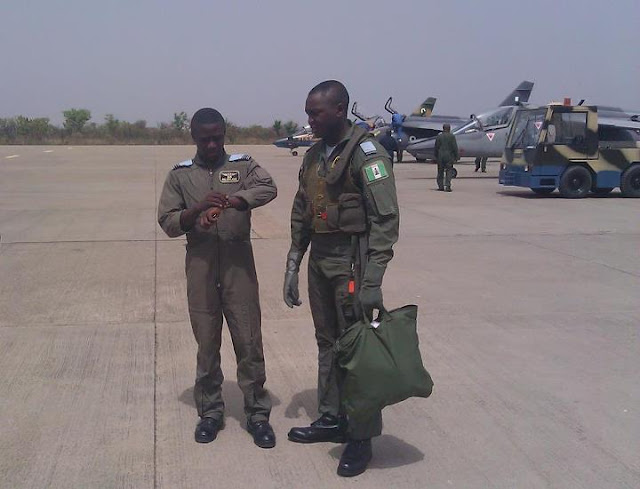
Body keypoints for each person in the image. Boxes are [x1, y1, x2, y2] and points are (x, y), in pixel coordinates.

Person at [283, 80, 400, 477]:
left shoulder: (367, 154)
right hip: (320, 258)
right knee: (327, 342)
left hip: (351, 262)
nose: (310, 120)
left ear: (339, 110)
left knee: (356, 347)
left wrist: (373, 280)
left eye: (316, 113)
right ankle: (331, 417)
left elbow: (385, 219)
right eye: (308, 113)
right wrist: (294, 261)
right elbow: (302, 208)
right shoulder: (314, 155)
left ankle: (361, 436)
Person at [157, 108, 277, 448]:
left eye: (217, 138)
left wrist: (237, 200)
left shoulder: (243, 166)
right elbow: (167, 222)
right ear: (193, 137)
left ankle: (257, 413)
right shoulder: (180, 175)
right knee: (207, 343)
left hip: (239, 266)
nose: (212, 145)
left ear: (224, 134)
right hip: (201, 266)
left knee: (248, 339)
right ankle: (210, 411)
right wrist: (196, 210)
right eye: (205, 139)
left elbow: (268, 187)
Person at [435, 123, 459, 191]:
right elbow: (455, 147)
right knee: (449, 171)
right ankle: (447, 185)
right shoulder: (452, 136)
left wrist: (436, 156)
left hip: (440, 156)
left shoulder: (439, 136)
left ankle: (440, 186)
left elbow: (436, 147)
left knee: (440, 171)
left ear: (443, 128)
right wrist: (456, 156)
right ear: (449, 129)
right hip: (449, 156)